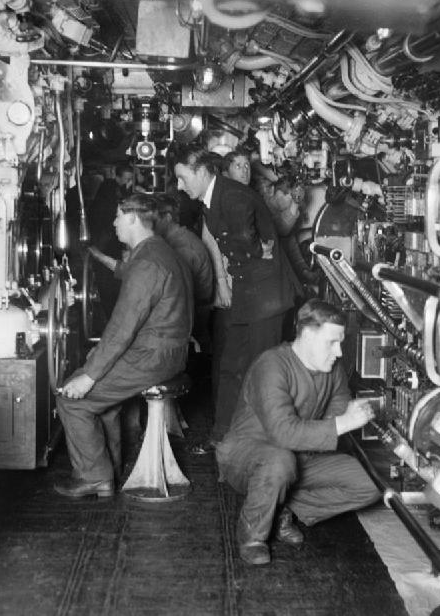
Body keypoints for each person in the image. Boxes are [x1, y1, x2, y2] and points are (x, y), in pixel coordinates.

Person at [215, 299, 381, 565]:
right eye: (332, 342)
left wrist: (350, 411)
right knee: (279, 460)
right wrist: (345, 423)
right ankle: (252, 535)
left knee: (371, 482)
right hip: (246, 456)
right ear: (306, 335)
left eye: (340, 342)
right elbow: (282, 432)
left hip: (299, 455)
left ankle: (282, 506)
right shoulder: (271, 365)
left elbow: (337, 408)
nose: (339, 352)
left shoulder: (332, 369)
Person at [55, 192, 193, 498]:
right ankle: (109, 471)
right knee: (102, 399)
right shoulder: (159, 253)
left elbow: (122, 327)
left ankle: (94, 477)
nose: (114, 223)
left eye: (118, 216)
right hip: (165, 351)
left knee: (72, 399)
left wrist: (90, 375)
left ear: (132, 218)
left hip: (152, 356)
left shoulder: (147, 263)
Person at [174, 145, 295, 444]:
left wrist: (255, 251)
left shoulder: (232, 195)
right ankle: (223, 432)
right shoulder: (212, 198)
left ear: (201, 172)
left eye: (182, 177)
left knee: (260, 371)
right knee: (230, 366)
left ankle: (260, 440)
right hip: (248, 293)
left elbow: (246, 241)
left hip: (266, 299)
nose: (179, 185)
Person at [87, 164, 134, 321]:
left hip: (107, 243)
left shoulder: (111, 191)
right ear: (118, 177)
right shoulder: (110, 192)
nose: (129, 182)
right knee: (109, 286)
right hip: (107, 243)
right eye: (127, 179)